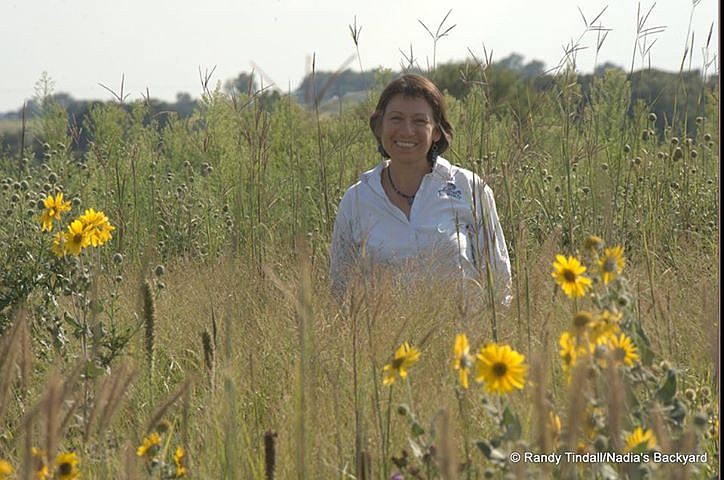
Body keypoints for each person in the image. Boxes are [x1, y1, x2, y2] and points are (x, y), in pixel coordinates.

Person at [330, 74, 511, 307]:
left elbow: (499, 281)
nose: (406, 131)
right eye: (396, 119)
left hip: (463, 340)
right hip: (383, 341)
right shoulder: (356, 200)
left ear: (436, 131)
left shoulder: (470, 188)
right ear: (379, 126)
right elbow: (340, 291)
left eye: (419, 121)